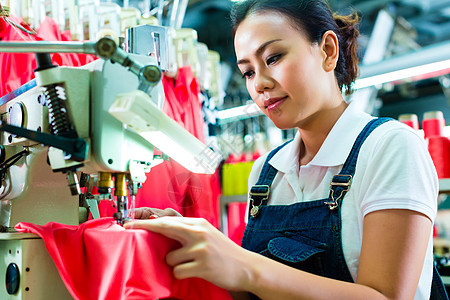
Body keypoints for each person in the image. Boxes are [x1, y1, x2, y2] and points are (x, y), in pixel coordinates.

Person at [125, 0, 447, 299]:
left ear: (328, 50)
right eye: (248, 71)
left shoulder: (390, 148)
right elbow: (258, 289)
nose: (259, 84)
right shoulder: (267, 172)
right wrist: (199, 246)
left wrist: (243, 266)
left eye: (273, 58)